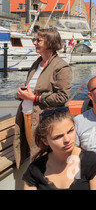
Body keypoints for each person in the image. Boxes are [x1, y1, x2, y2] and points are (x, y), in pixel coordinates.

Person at [14, 28, 73, 168]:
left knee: (43, 159)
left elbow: (62, 97)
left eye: (38, 40)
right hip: (27, 116)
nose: (34, 42)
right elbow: (32, 90)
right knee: (34, 158)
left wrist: (35, 97)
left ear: (50, 42)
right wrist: (22, 93)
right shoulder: (36, 64)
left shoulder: (61, 67)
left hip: (44, 121)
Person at [22, 106, 96, 190]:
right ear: (45, 141)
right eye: (58, 137)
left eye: (70, 131)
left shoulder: (90, 161)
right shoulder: (35, 169)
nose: (67, 139)